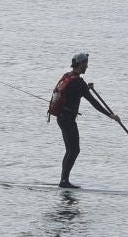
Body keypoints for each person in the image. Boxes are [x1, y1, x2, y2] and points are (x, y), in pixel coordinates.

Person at [49, 52, 117, 188]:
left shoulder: (69, 76)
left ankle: (64, 180)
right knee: (74, 150)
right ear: (80, 64)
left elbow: (80, 91)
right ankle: (64, 181)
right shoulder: (78, 82)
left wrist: (88, 88)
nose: (87, 66)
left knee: (70, 150)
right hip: (67, 119)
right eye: (86, 63)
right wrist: (110, 115)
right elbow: (94, 103)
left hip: (62, 118)